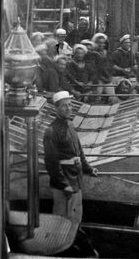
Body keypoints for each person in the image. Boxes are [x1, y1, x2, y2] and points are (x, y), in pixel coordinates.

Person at [43, 91, 98, 237]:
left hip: (76, 180)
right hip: (64, 183)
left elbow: (78, 151)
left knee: (75, 218)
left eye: (70, 105)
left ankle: (71, 244)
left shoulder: (70, 125)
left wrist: (88, 169)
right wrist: (64, 184)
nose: (68, 108)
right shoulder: (51, 131)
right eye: (64, 106)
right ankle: (58, 248)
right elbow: (51, 163)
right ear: (56, 109)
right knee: (61, 219)